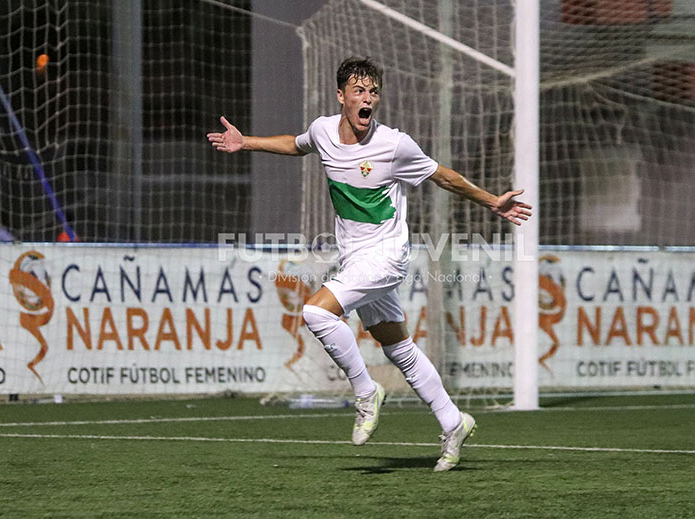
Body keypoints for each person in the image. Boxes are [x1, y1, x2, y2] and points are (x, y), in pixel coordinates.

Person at [207, 56, 532, 471]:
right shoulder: (323, 131)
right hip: (355, 258)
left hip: (386, 256)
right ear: (340, 96)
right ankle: (453, 421)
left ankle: (366, 391)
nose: (367, 99)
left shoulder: (395, 144)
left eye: (373, 92)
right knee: (397, 346)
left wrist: (492, 201)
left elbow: (443, 176)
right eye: (359, 91)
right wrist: (247, 142)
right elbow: (296, 144)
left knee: (316, 313)